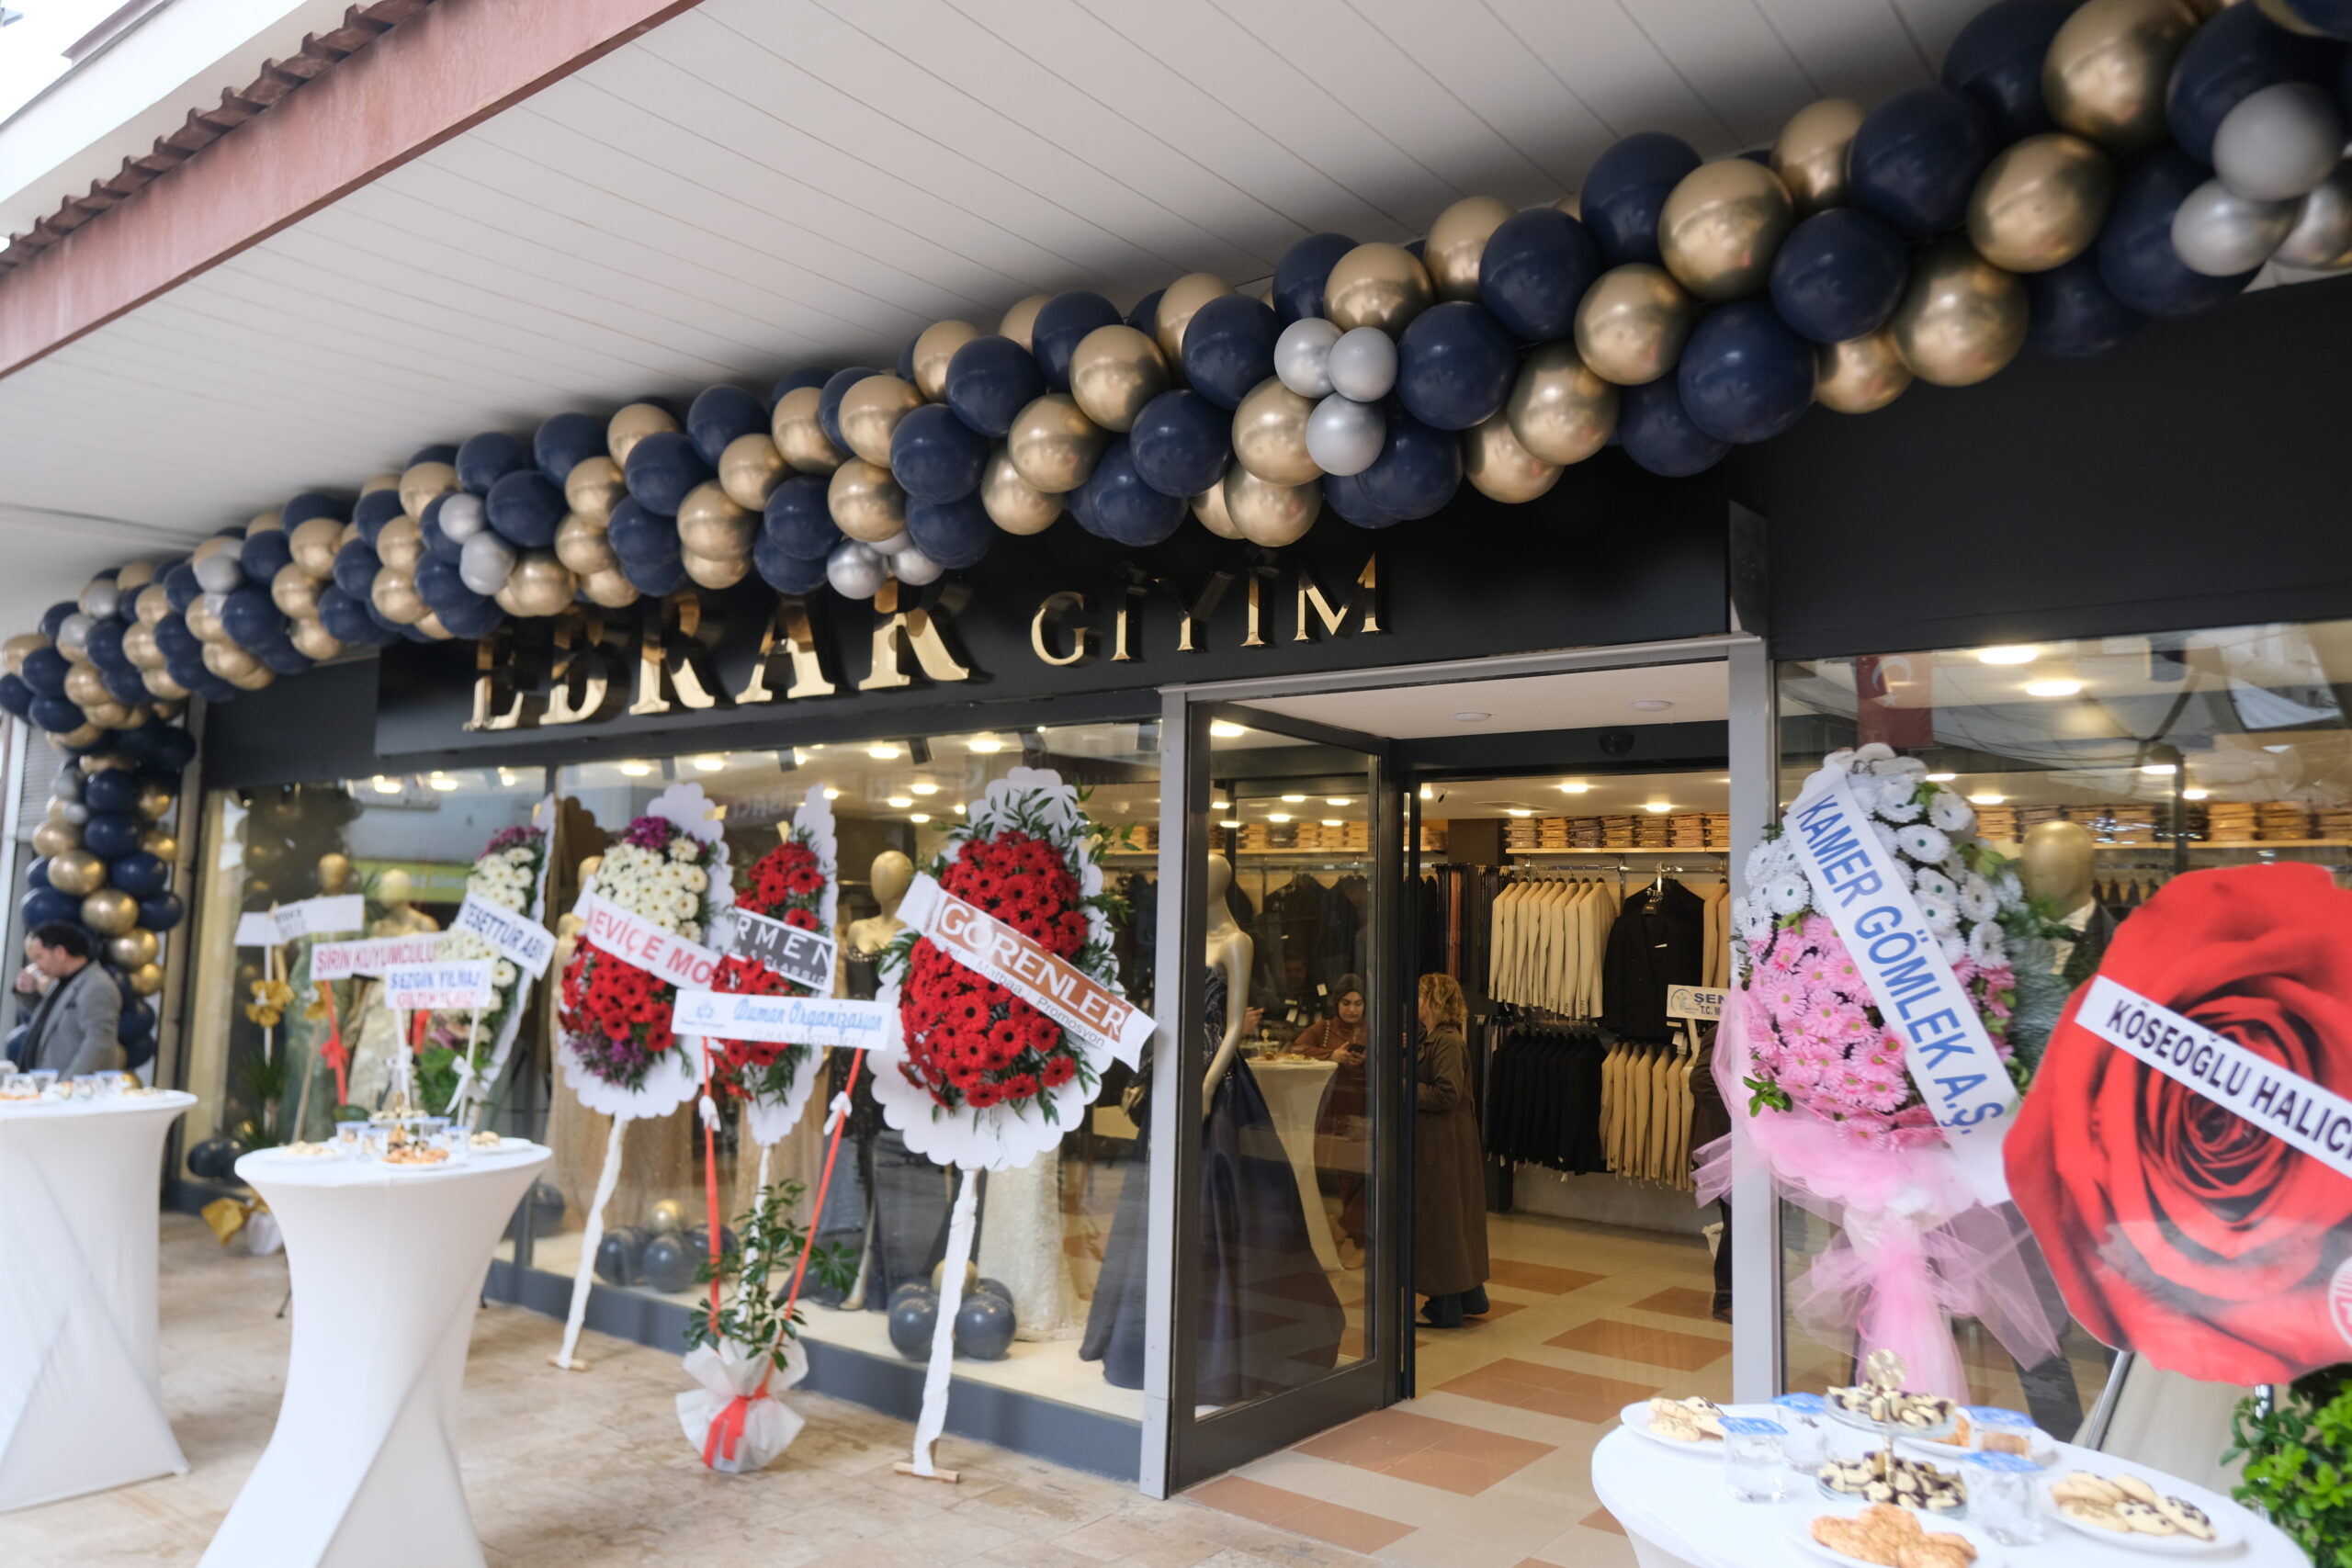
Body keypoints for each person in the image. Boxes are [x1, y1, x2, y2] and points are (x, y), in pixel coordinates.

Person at [1415, 973, 1489, 1327]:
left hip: (1441, 1145)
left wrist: (1403, 1086)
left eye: (1419, 996)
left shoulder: (1445, 1041)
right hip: (1443, 1142)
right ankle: (1469, 1295)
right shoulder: (1434, 1039)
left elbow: (1447, 1093)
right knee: (1454, 1218)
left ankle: (1444, 1305)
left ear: (1432, 1001)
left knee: (1441, 1220)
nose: (1415, 1002)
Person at [1295, 974, 1369, 1264]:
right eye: (1347, 1002)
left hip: (1367, 1112)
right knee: (1347, 1176)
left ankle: (1345, 1229)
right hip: (1336, 1112)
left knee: (1366, 1174)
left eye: (1358, 1003)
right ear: (1337, 1003)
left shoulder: (1373, 1029)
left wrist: (1365, 1061)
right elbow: (1296, 1050)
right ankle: (1352, 1237)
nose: (1352, 1009)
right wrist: (1331, 1055)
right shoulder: (1324, 1029)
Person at [17, 922, 122, 1077]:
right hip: (44, 1083)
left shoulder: (98, 985)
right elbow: (50, 1023)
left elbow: (99, 1042)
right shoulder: (59, 981)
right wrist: (28, 993)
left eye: (39, 957)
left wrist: (68, 1084)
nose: (37, 966)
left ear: (60, 953)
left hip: (67, 1087)